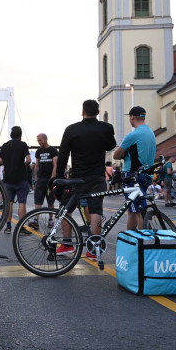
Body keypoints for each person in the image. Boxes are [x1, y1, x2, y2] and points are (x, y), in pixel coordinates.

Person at [56, 99, 116, 259]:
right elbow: (111, 145)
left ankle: (67, 244)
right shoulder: (106, 128)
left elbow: (63, 154)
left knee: (66, 209)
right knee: (96, 209)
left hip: (77, 178)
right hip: (97, 176)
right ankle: (94, 249)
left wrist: (58, 176)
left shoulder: (72, 129)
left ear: (82, 111)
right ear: (97, 112)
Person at [112, 106, 156, 230]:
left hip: (133, 176)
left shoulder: (133, 135)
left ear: (132, 117)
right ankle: (132, 238)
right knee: (132, 209)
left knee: (139, 212)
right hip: (147, 175)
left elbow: (116, 155)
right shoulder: (151, 133)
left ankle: (143, 241)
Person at [0, 126, 32, 235]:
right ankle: (21, 227)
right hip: (21, 178)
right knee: (22, 203)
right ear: (20, 135)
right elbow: (29, 160)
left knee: (9, 203)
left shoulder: (5, 145)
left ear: (11, 134)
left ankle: (8, 227)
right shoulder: (23, 145)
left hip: (8, 180)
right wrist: (23, 165)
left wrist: (7, 163)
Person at [29, 134, 58, 229]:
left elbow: (55, 165)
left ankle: (51, 220)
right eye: (38, 140)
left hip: (50, 180)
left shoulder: (53, 151)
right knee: (38, 201)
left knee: (50, 201)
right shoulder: (38, 151)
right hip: (40, 180)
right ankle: (35, 220)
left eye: (40, 140)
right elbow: (37, 165)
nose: (39, 142)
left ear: (45, 139)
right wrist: (36, 177)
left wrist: (52, 179)